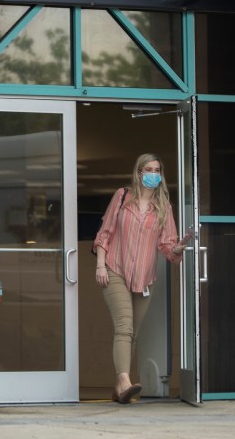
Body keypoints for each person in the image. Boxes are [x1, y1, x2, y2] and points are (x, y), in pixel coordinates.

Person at [92, 153, 186, 404]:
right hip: (115, 269)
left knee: (132, 332)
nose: (153, 174)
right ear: (138, 172)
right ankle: (124, 381)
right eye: (148, 169)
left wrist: (177, 249)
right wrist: (100, 265)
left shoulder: (164, 207)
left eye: (157, 169)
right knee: (124, 326)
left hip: (144, 278)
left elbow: (167, 245)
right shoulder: (122, 196)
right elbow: (105, 232)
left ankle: (117, 388)